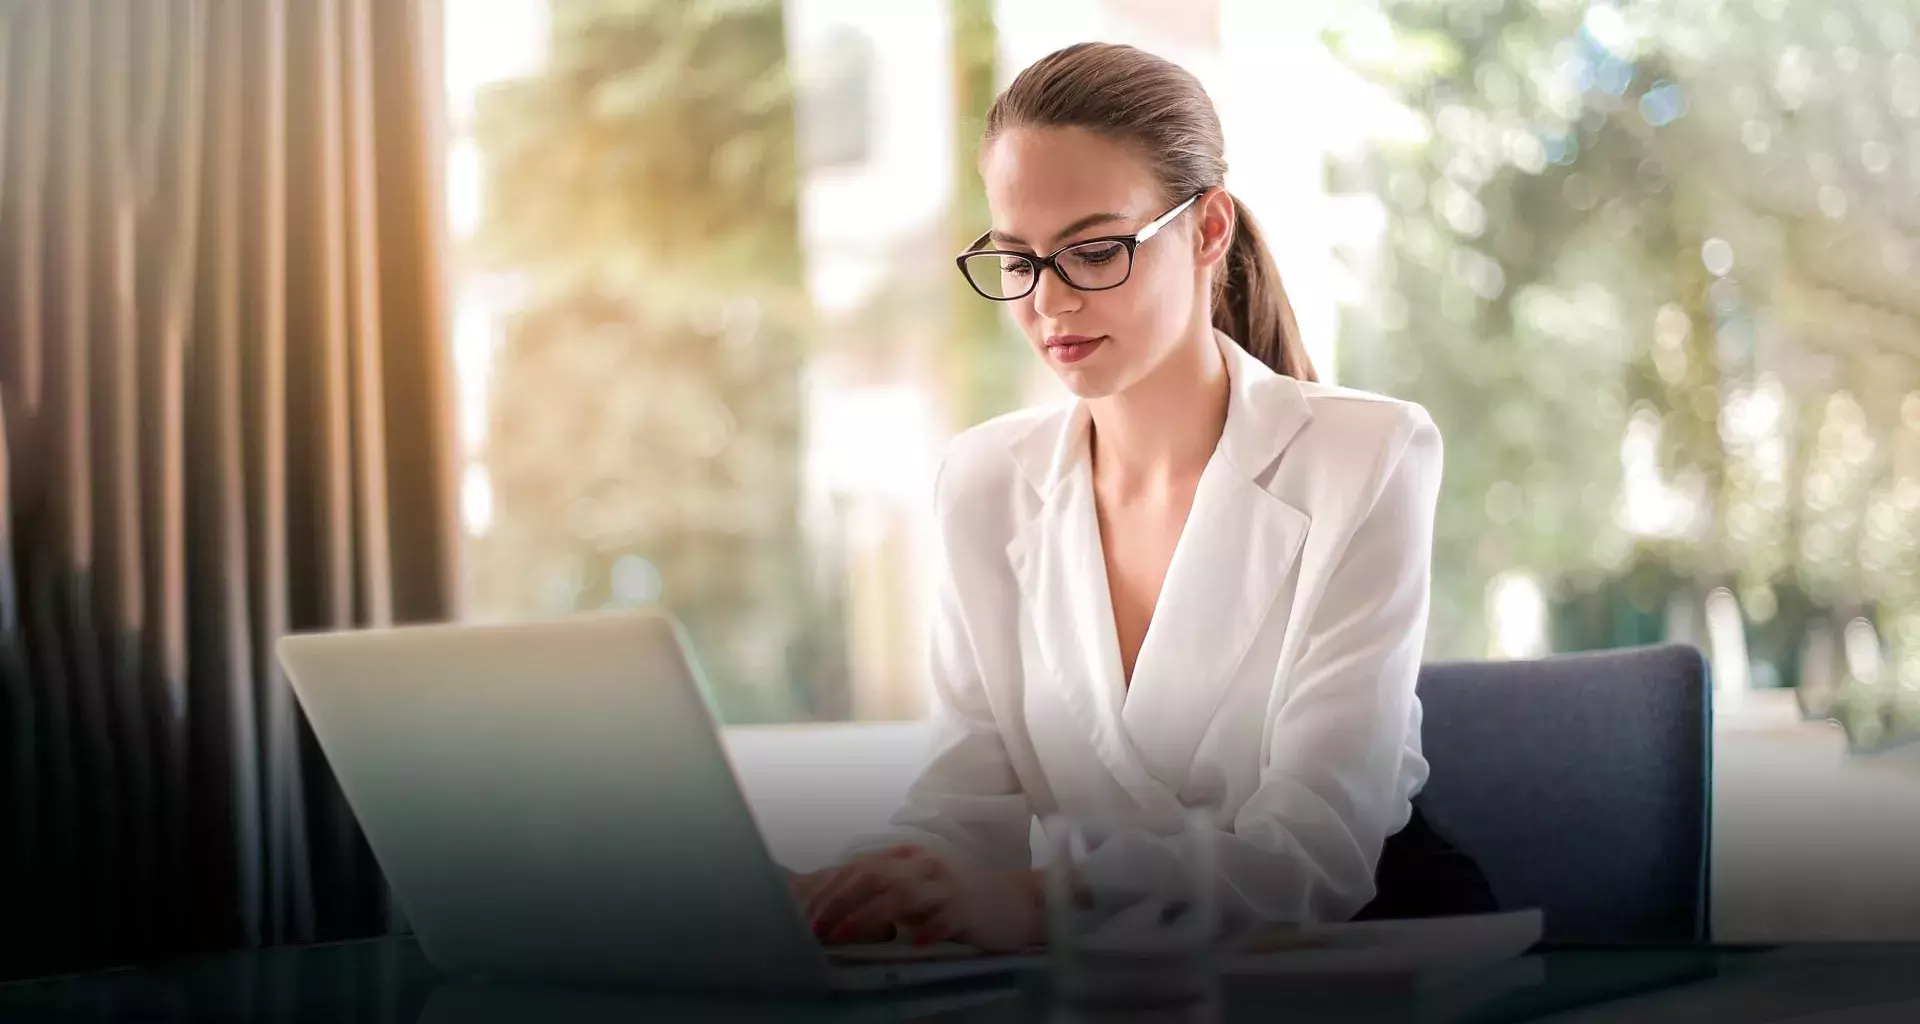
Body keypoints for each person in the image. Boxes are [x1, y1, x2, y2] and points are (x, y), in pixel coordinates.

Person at [795, 42, 1492, 952]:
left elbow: (1314, 851)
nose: (1049, 302)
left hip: (1361, 956)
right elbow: (963, 809)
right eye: (1018, 257)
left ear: (1208, 232)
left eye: (1093, 251)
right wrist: (865, 888)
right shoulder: (983, 483)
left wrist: (1035, 905)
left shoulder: (1369, 454)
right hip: (1119, 972)